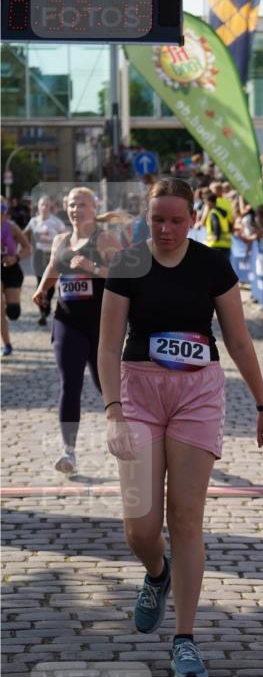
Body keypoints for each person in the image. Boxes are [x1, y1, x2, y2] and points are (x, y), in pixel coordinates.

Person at [99, 177, 263, 677]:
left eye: (177, 219)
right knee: (140, 527)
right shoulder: (129, 263)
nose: (167, 229)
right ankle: (158, 573)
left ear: (193, 218)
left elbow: (239, 339)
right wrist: (113, 409)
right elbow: (109, 346)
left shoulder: (212, 264)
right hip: (139, 392)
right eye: (158, 219)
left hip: (198, 392)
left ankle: (184, 640)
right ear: (146, 218)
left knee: (185, 517)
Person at [33, 187, 123, 472]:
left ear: (93, 208)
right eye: (72, 205)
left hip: (100, 324)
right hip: (67, 320)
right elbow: (53, 268)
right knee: (69, 385)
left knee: (106, 386)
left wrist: (93, 267)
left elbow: (126, 276)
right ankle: (68, 452)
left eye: (82, 204)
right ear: (66, 207)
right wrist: (41, 290)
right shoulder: (61, 239)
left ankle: (131, 436)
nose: (76, 210)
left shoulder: (105, 239)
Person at [24, 196, 67, 325]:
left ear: (51, 207)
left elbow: (65, 235)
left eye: (47, 205)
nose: (45, 207)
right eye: (43, 204)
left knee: (51, 283)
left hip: (51, 254)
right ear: (38, 206)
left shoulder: (56, 222)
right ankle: (42, 311)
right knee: (39, 281)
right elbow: (24, 234)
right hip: (38, 254)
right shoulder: (34, 221)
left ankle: (47, 302)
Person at [1, 196, 31, 357]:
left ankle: (10, 308)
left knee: (13, 312)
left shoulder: (12, 227)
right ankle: (7, 344)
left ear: (6, 211)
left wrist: (16, 258)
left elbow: (27, 248)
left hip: (12, 269)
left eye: (2, 209)